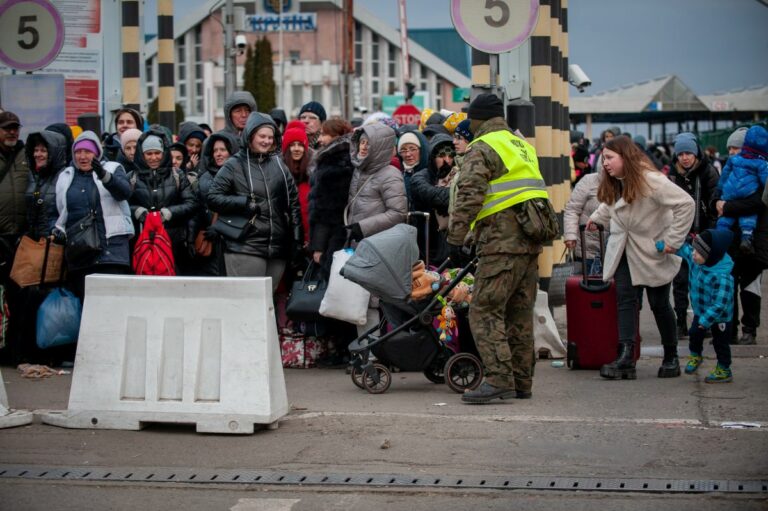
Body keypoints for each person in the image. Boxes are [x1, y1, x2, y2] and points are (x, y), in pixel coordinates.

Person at [448, 93, 551, 404]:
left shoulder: (483, 147)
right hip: (529, 242)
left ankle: (498, 379)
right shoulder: (522, 146)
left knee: (484, 309)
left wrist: (455, 238)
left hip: (500, 243)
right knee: (519, 313)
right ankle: (522, 381)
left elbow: (469, 195)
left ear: (477, 118)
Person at [587, 136, 695, 380]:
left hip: (652, 251)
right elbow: (612, 206)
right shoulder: (617, 182)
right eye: (604, 158)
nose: (605, 163)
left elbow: (686, 204)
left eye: (609, 158)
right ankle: (626, 356)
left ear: (625, 157)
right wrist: (596, 219)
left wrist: (672, 241)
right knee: (625, 300)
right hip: (624, 249)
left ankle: (671, 357)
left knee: (659, 304)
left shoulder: (652, 180)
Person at [207, 112, 302, 290]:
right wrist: (244, 203)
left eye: (270, 137)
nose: (266, 141)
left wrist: (296, 241)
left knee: (267, 305)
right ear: (250, 135)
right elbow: (212, 197)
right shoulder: (234, 164)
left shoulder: (279, 164)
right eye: (262, 136)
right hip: (245, 246)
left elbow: (294, 204)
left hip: (277, 248)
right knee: (246, 304)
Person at [54, 131, 134, 300]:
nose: (82, 156)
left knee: (112, 304)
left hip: (111, 252)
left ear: (97, 152)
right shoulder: (66, 175)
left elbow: (124, 193)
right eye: (78, 152)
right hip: (80, 254)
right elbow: (60, 211)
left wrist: (105, 177)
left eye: (87, 151)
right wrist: (58, 230)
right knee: (86, 306)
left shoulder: (112, 168)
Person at [346, 123, 408, 335]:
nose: (363, 147)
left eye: (369, 143)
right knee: (361, 301)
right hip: (361, 245)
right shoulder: (359, 170)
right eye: (361, 142)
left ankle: (378, 353)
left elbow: (399, 212)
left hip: (379, 247)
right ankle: (368, 353)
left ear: (380, 147)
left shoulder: (390, 174)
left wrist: (362, 227)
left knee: (375, 302)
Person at [667, 132, 720, 338]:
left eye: (688, 153)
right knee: (679, 281)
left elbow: (715, 202)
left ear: (696, 153)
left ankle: (702, 322)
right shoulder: (672, 175)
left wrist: (711, 233)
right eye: (681, 154)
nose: (685, 158)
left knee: (702, 281)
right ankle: (680, 322)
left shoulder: (708, 172)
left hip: (703, 233)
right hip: (679, 235)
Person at [127, 131, 199, 274]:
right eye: (149, 153)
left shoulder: (177, 175)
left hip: (174, 241)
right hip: (141, 240)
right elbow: (122, 204)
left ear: (164, 153)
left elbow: (191, 203)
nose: (153, 158)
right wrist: (136, 211)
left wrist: (169, 213)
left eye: (157, 153)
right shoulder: (132, 177)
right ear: (142, 155)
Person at [678, 229, 735, 383]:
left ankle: (724, 368)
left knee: (720, 342)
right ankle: (695, 355)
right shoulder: (698, 260)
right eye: (695, 250)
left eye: (698, 252)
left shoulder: (722, 276)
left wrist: (705, 321)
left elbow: (720, 304)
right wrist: (668, 247)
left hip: (720, 317)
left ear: (711, 256)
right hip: (701, 310)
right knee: (694, 334)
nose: (694, 254)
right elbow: (685, 250)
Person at [308, 118, 354, 279]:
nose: (320, 139)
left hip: (333, 238)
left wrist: (319, 247)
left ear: (337, 136)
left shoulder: (333, 162)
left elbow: (326, 211)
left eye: (324, 134)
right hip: (343, 235)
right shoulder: (349, 158)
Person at [190, 131, 239, 276]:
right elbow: (197, 208)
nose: (218, 154)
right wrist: (191, 237)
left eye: (223, 150)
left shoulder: (240, 176)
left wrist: (220, 228)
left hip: (232, 242)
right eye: (215, 150)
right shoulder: (204, 177)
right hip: (209, 241)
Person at [715, 125, 768, 255]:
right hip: (734, 241)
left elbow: (758, 201)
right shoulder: (733, 163)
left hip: (758, 242)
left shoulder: (760, 165)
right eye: (729, 148)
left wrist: (725, 206)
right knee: (728, 223)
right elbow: (721, 183)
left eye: (736, 148)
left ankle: (744, 238)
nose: (732, 152)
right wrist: (716, 200)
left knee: (746, 220)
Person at [410, 133, 455, 265]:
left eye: (451, 156)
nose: (447, 160)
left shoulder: (459, 175)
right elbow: (433, 195)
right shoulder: (420, 177)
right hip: (428, 243)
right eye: (441, 156)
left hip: (452, 243)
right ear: (432, 158)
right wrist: (456, 193)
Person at [564, 162, 606, 275]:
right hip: (588, 252)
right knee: (588, 290)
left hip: (618, 253)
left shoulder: (625, 184)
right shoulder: (589, 181)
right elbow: (572, 209)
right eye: (605, 158)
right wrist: (570, 235)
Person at [281, 126, 311, 247]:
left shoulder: (312, 175)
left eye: (300, 145)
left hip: (309, 241)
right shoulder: (279, 174)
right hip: (285, 240)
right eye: (292, 145)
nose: (297, 149)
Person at [396, 128, 429, 208]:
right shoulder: (398, 176)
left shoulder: (431, 174)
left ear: (421, 150)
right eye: (403, 150)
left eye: (412, 149)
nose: (408, 154)